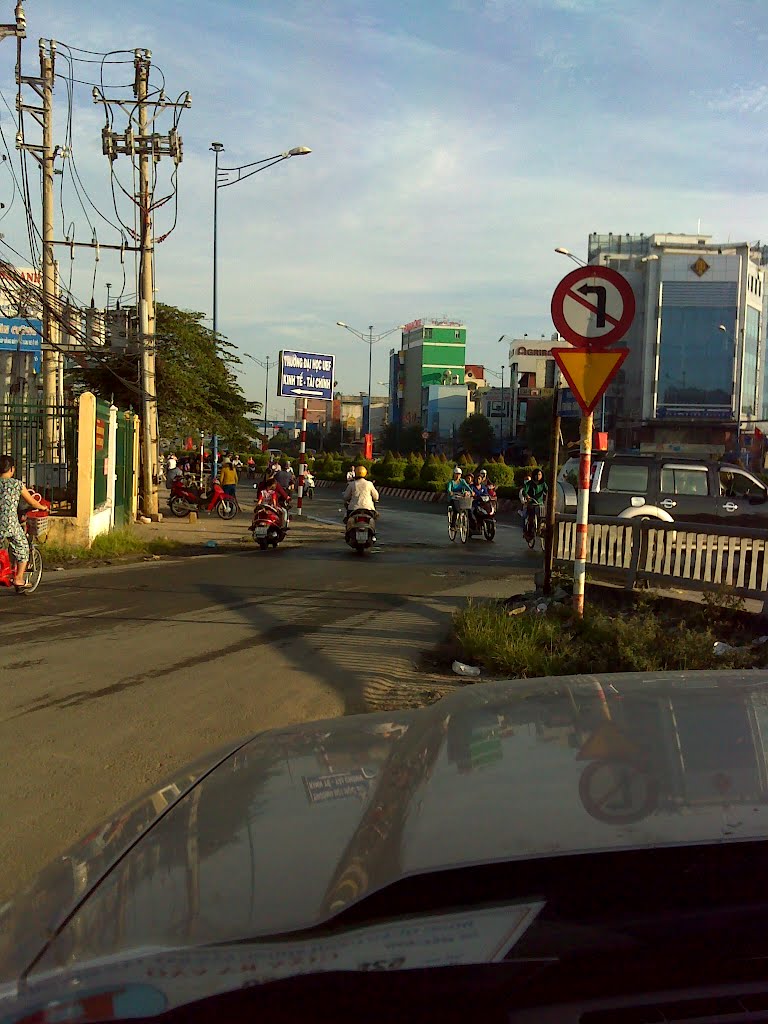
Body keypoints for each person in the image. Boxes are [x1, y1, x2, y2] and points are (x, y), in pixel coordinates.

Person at [0, 454, 48, 591]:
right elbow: (31, 501)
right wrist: (43, 507)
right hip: (9, 524)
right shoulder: (17, 484)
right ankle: (19, 579)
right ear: (12, 469)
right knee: (22, 547)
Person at [521, 468, 548, 536]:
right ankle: (529, 533)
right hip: (531, 503)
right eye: (537, 474)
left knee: (542, 517)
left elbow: (547, 491)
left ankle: (540, 530)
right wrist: (527, 496)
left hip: (540, 503)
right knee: (531, 518)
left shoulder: (543, 484)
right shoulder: (529, 483)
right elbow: (524, 491)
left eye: (539, 474)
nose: (538, 476)